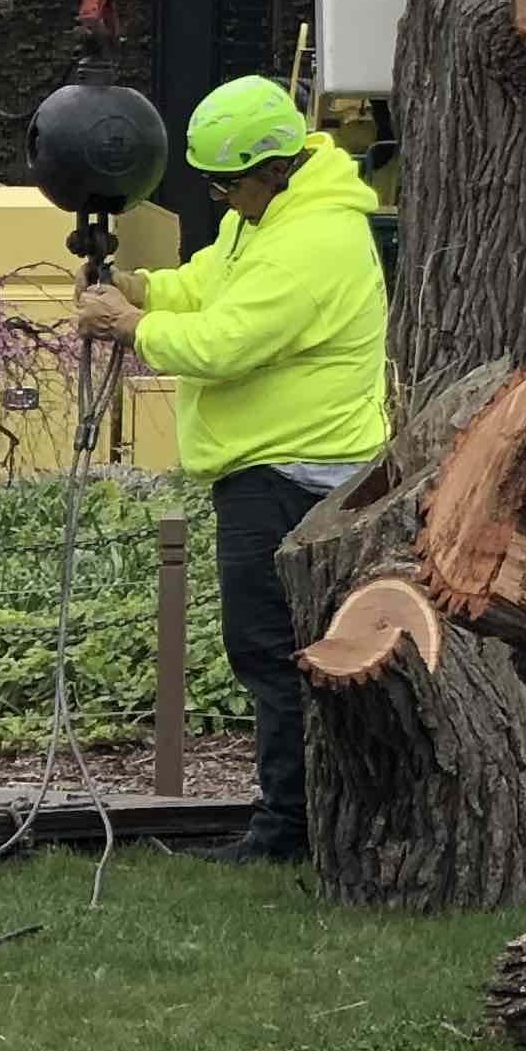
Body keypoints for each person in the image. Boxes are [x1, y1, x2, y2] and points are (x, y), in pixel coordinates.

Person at [74, 76, 389, 864]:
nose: (220, 198)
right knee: (278, 650)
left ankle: (288, 827)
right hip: (270, 466)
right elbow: (211, 283)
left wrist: (128, 324)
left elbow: (224, 342)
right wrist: (144, 287)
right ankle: (305, 818)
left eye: (227, 183)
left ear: (272, 167)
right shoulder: (273, 218)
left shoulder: (315, 242)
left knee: (272, 650)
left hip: (294, 472)